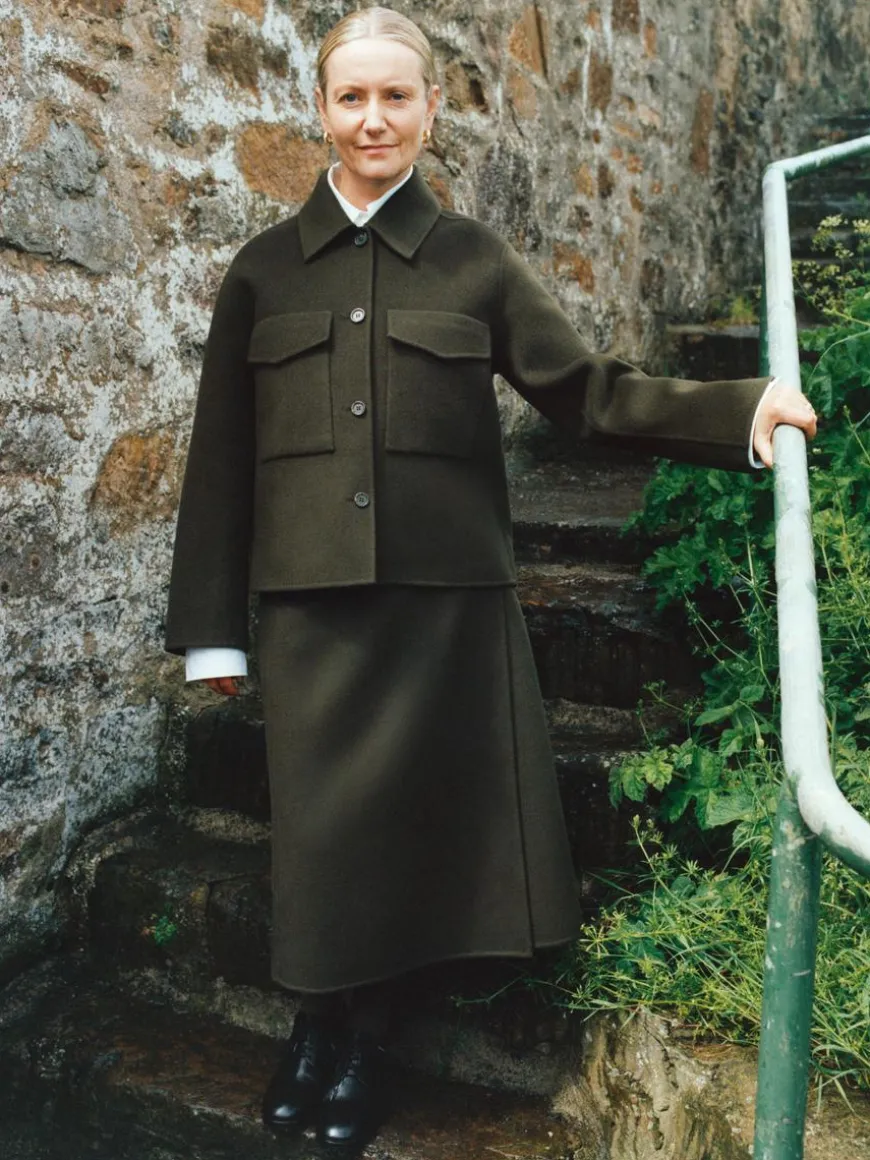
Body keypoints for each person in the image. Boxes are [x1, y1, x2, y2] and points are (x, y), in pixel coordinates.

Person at [164, 6, 817, 1152]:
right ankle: (316, 1022)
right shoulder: (261, 272)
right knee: (321, 832)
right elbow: (220, 457)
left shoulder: (475, 262)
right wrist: (212, 628)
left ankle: (365, 1039)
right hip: (312, 609)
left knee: (408, 829)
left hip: (445, 608)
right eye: (352, 97)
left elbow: (587, 391)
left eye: (396, 96)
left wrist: (741, 408)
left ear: (431, 108)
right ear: (320, 109)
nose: (374, 119)